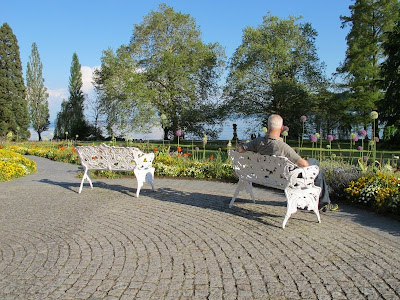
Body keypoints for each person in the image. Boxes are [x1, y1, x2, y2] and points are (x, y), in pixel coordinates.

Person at [237, 114, 338, 212]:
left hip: (267, 176)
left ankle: (319, 201)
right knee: (314, 165)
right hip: (286, 178)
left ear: (267, 127)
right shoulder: (283, 147)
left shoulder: (257, 141)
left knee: (315, 168)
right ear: (281, 128)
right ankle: (323, 202)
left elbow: (240, 149)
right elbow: (304, 164)